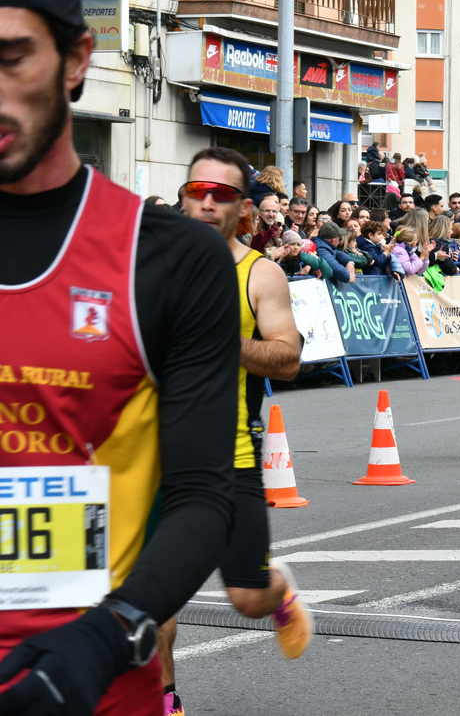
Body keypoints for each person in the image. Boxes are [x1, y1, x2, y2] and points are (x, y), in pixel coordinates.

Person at [0, 0, 240, 715]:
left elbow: (203, 496)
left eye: (10, 58)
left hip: (84, 683)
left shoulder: (168, 257)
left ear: (76, 60)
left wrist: (110, 633)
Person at [161, 148, 312, 710]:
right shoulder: (149, 267)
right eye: (197, 191)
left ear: (243, 208)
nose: (207, 202)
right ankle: (167, 702)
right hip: (149, 459)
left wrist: (219, 339)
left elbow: (288, 357)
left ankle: (277, 590)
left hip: (228, 458)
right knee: (151, 602)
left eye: (222, 194)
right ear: (182, 200)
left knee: (247, 598)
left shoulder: (259, 273)